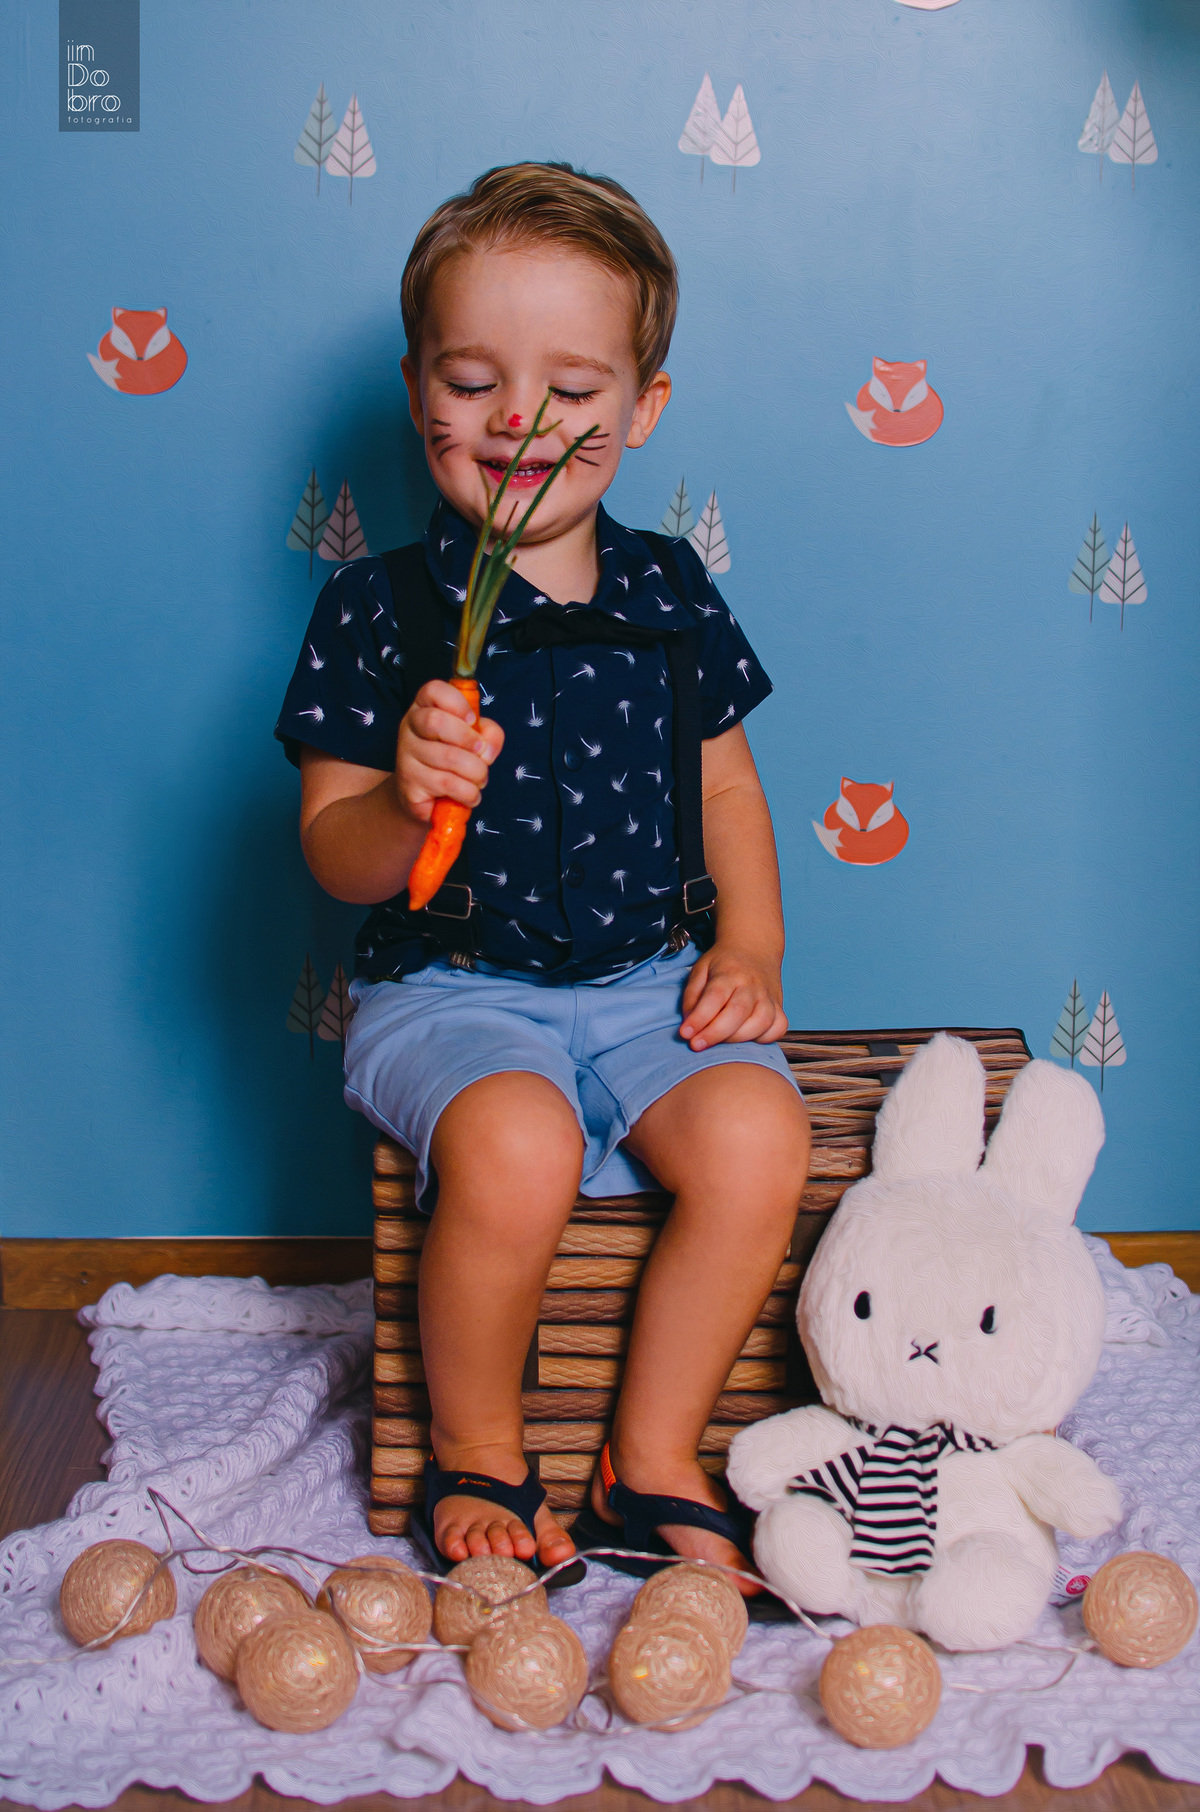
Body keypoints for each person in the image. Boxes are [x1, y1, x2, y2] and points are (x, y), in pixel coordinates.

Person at [277, 163, 811, 1592]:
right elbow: (335, 855)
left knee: (764, 1141)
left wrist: (748, 943)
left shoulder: (670, 589)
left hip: (643, 989)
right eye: (475, 378)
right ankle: (481, 1450)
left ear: (645, 409)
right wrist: (405, 795)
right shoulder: (379, 607)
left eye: (575, 387)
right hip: (449, 996)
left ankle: (650, 1461)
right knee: (516, 1147)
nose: (523, 420)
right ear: (417, 393)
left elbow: (725, 783)